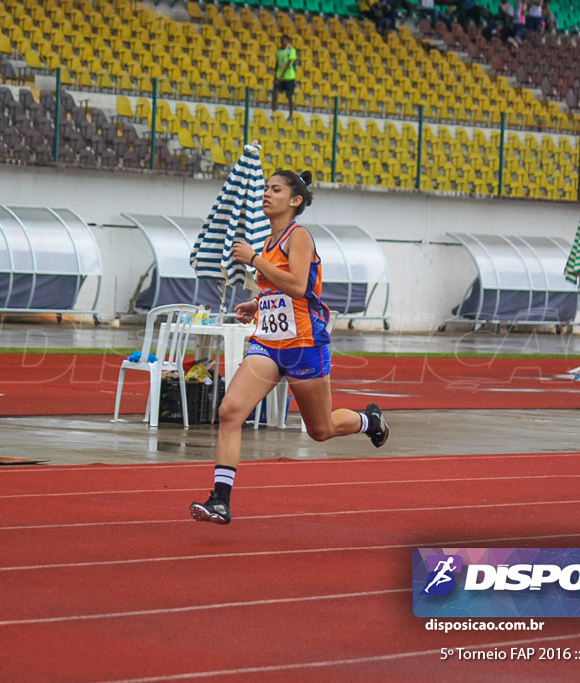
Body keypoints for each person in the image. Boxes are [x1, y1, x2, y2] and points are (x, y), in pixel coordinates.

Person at [189, 170, 390, 525]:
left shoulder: (298, 237)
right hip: (268, 343)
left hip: (303, 345)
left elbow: (298, 286)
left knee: (320, 430)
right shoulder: (268, 241)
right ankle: (220, 499)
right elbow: (279, 289)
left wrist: (254, 260)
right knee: (230, 411)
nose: (266, 194)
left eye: (275, 189)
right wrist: (258, 302)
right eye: (266, 188)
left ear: (294, 201)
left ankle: (368, 420)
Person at [271, 35, 297, 121]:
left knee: (289, 97)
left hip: (289, 77)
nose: (283, 42)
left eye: (285, 40)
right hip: (279, 77)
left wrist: (282, 76)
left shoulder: (291, 51)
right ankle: (274, 113)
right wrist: (275, 77)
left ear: (288, 41)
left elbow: (289, 63)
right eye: (282, 40)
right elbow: (277, 64)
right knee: (275, 94)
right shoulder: (278, 51)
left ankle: (290, 115)